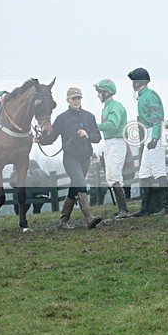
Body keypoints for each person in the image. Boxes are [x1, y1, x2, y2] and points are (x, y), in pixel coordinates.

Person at [37, 87, 103, 228]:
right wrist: (40, 140)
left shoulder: (89, 116)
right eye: (73, 98)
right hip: (70, 157)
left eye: (78, 98)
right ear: (68, 100)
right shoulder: (61, 119)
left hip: (85, 157)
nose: (76, 101)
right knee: (80, 183)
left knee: (75, 188)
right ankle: (89, 217)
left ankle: (63, 220)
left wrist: (87, 135)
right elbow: (52, 138)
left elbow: (97, 137)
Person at [128, 68, 168, 217]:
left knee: (159, 171)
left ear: (138, 82)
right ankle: (144, 208)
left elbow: (156, 118)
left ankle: (166, 208)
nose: (132, 84)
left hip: (155, 133)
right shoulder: (141, 96)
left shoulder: (150, 95)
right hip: (149, 133)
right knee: (144, 172)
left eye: (133, 81)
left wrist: (154, 138)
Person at [94, 78, 130, 218]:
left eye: (99, 92)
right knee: (111, 176)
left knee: (114, 174)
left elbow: (113, 125)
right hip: (110, 142)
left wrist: (94, 126)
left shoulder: (115, 107)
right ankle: (122, 208)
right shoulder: (107, 107)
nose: (98, 95)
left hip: (117, 142)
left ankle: (124, 209)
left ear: (107, 93)